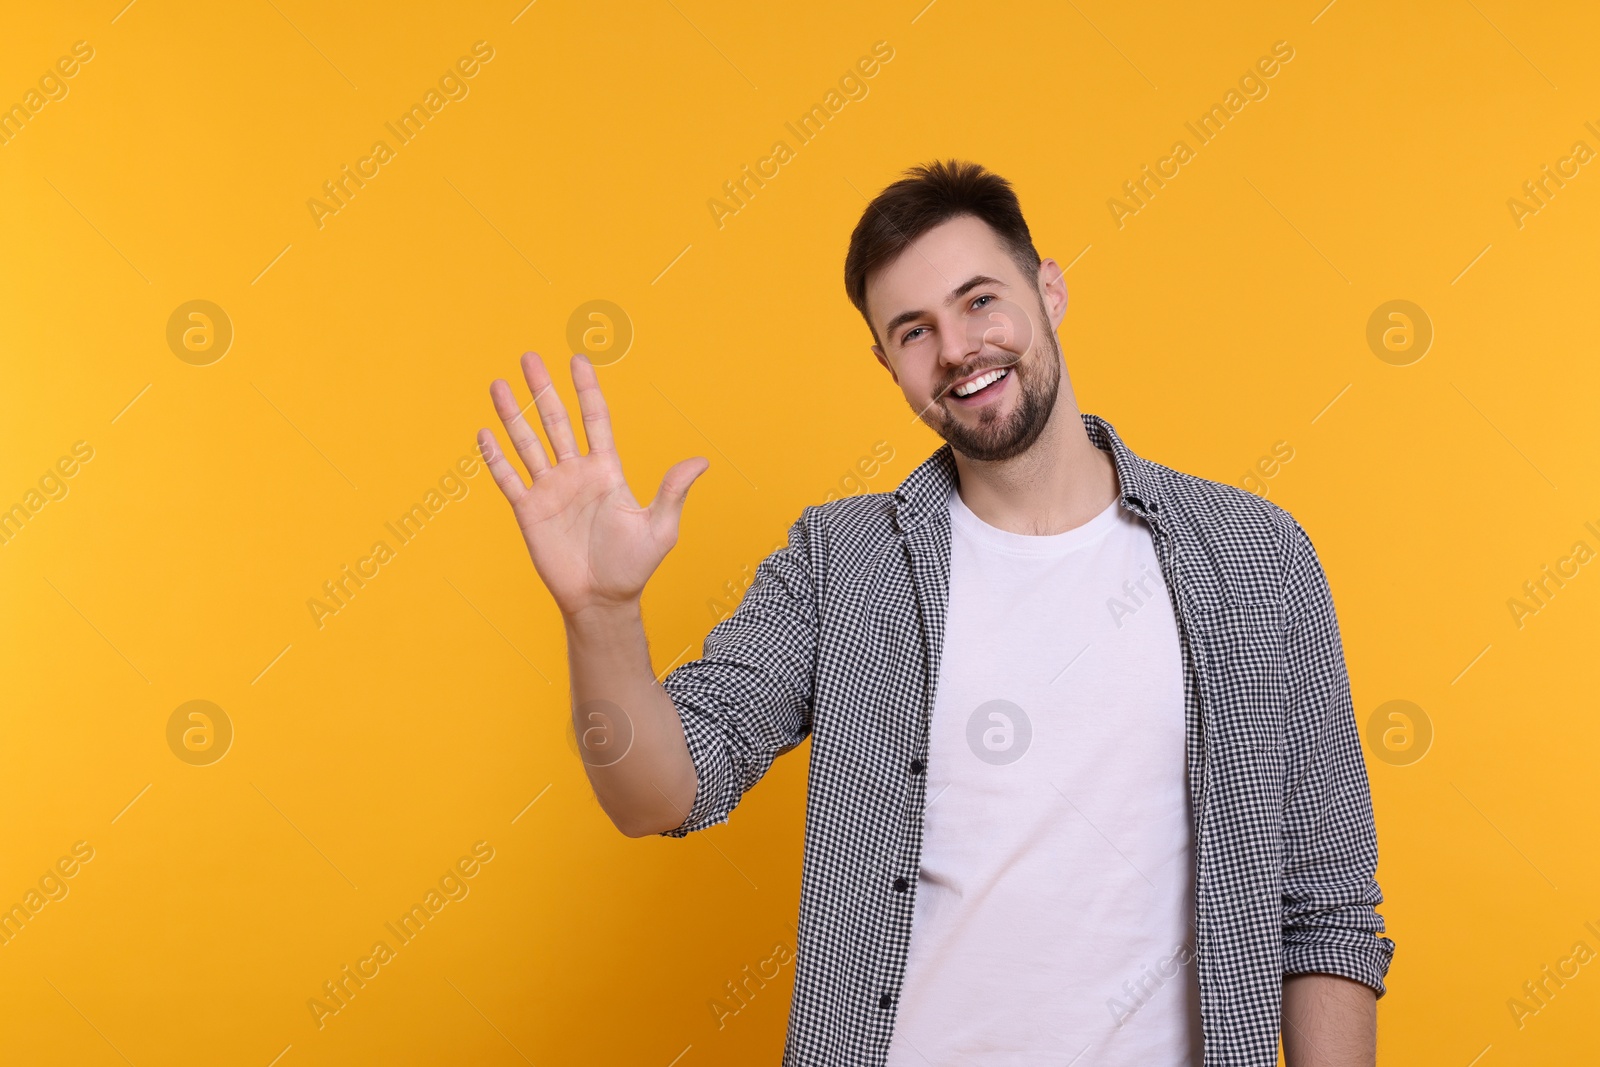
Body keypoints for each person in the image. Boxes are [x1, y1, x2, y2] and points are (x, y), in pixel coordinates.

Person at [476, 159, 1393, 1067]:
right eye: (914, 331)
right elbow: (662, 794)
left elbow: (1328, 904)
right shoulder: (842, 563)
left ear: (1050, 289)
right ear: (887, 365)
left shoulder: (1252, 556)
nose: (956, 348)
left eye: (980, 300)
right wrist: (601, 615)